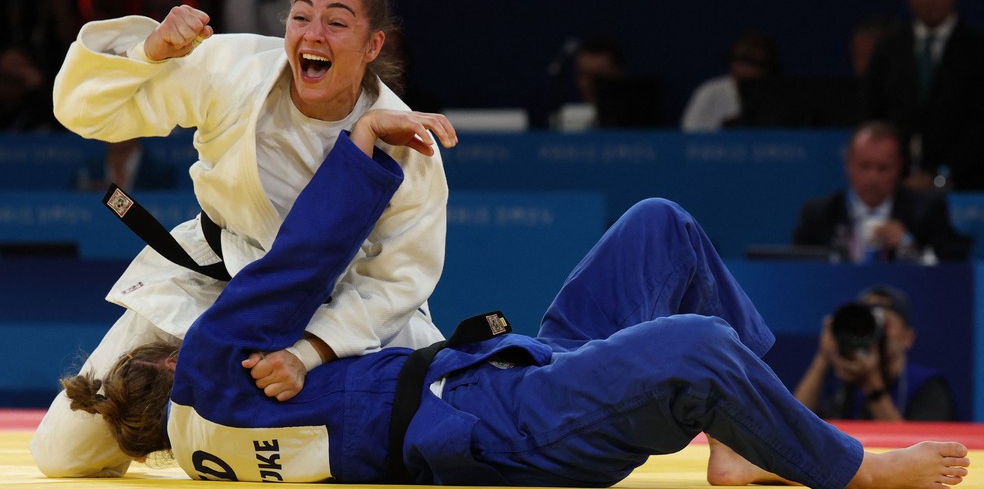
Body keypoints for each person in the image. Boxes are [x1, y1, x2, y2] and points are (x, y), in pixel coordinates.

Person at [58, 119, 971, 488]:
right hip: (508, 424)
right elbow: (294, 267)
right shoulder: (211, 373)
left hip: (500, 385)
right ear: (170, 360)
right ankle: (849, 469)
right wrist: (367, 153)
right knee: (692, 342)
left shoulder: (213, 444)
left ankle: (739, 450)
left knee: (659, 227)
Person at [32, 0, 452, 478]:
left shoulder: (408, 143)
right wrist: (147, 51)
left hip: (332, 313)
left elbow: (396, 281)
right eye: (301, 17)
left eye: (337, 23)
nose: (312, 35)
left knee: (417, 432)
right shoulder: (232, 70)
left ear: (373, 45)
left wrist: (308, 353)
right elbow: (83, 112)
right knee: (64, 454)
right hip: (216, 282)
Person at [862, 0, 984, 191]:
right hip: (897, 190)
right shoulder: (889, 50)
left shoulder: (977, 50)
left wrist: (941, 177)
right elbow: (872, 116)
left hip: (966, 190)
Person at [792, 120, 972, 263]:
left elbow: (953, 268)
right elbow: (798, 270)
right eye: (864, 166)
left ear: (900, 167)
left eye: (883, 168)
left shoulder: (927, 210)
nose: (872, 177)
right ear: (848, 165)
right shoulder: (819, 214)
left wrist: (909, 246)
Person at [793, 285, 956, 422]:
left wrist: (872, 384)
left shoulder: (928, 386)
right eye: (868, 325)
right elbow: (792, 425)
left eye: (885, 325)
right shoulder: (842, 385)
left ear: (907, 337)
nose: (876, 335)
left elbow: (915, 449)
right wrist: (823, 357)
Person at [680, 30, 781, 132]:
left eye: (752, 62)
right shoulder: (710, 91)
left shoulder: (779, 95)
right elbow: (689, 134)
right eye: (739, 60)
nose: (744, 68)